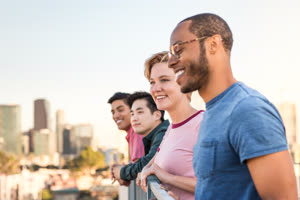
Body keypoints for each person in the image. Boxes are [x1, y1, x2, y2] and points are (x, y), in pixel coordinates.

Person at [168, 13, 297, 199]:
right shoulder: (212, 113)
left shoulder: (247, 110)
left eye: (178, 49)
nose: (171, 62)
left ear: (213, 44)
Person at [139, 51, 204, 200]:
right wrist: (144, 171)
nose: (155, 89)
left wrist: (165, 177)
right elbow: (155, 161)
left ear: (185, 82)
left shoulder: (203, 124)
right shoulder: (171, 128)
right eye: (152, 82)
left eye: (164, 80)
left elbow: (219, 185)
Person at [111, 91, 169, 184]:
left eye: (140, 112)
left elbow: (148, 163)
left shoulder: (164, 134)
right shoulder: (153, 136)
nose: (134, 118)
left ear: (157, 115)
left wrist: (121, 172)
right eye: (132, 114)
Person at [108, 92, 145, 163]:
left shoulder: (137, 132)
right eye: (113, 112)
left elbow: (138, 168)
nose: (115, 116)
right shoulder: (131, 134)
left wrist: (120, 171)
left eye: (120, 110)